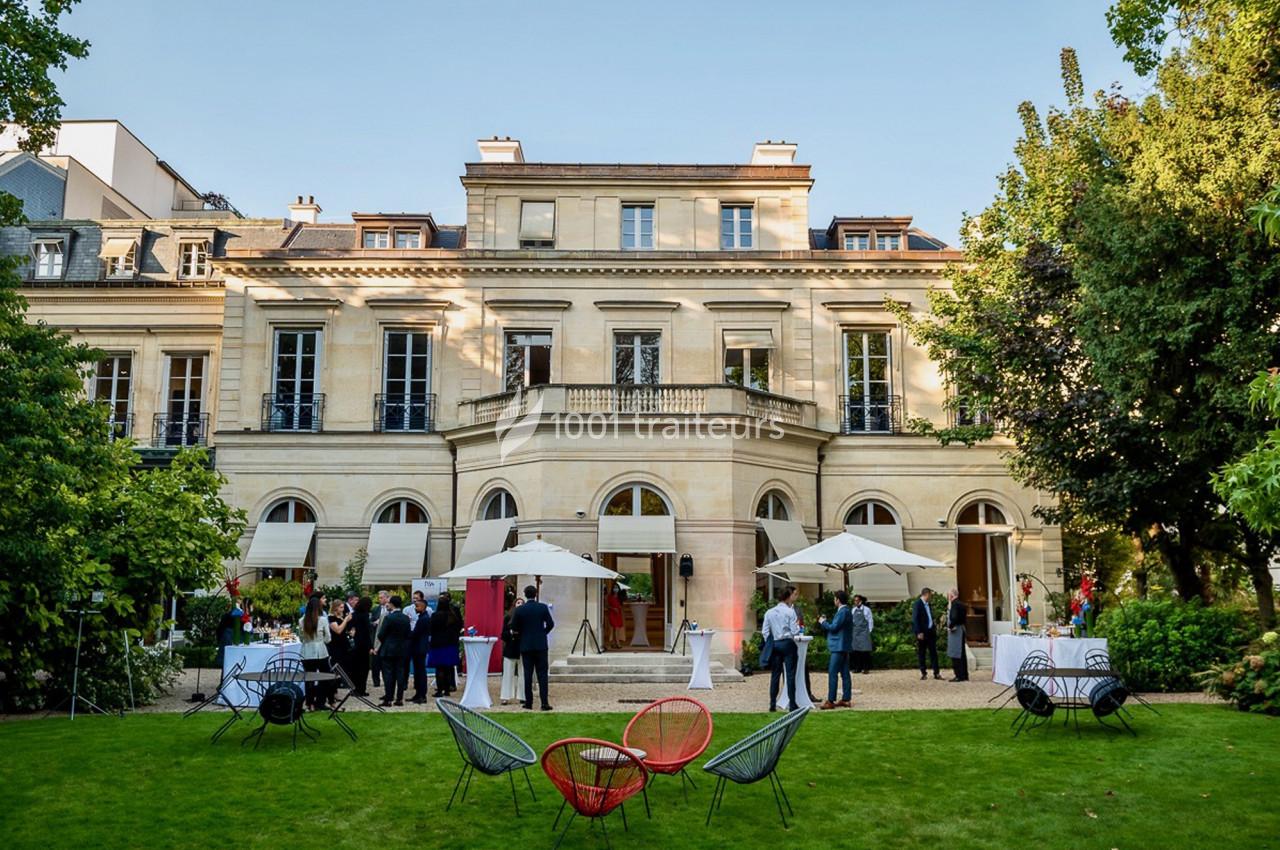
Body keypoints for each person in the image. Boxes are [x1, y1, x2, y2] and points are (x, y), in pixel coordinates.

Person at [508, 584, 555, 710]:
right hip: (540, 645)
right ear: (536, 595)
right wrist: (543, 633)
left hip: (526, 645)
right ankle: (544, 702)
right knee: (542, 674)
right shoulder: (542, 608)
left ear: (525, 594)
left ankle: (529, 702)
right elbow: (551, 624)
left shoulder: (520, 610)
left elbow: (513, 626)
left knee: (527, 674)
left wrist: (522, 635)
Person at [762, 586, 799, 712]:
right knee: (790, 674)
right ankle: (792, 703)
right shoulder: (790, 612)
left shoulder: (769, 612)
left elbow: (765, 632)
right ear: (788, 597)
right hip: (787, 643)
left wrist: (771, 642)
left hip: (775, 644)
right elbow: (794, 630)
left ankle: (772, 703)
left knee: (775, 674)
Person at [817, 590, 853, 709]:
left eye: (834, 598)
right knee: (845, 673)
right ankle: (846, 699)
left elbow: (833, 627)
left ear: (838, 600)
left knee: (833, 673)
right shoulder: (846, 611)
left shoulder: (843, 611)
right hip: (844, 646)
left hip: (838, 646)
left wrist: (823, 622)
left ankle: (831, 700)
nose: (834, 600)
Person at [375, 595, 411, 706]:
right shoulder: (405, 618)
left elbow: (381, 634)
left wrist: (386, 641)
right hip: (401, 649)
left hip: (389, 649)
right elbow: (408, 633)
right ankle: (399, 698)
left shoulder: (389, 618)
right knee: (400, 673)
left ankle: (388, 698)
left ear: (392, 604)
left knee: (388, 674)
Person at [298, 593, 332, 711]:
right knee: (325, 677)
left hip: (306, 651)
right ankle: (320, 701)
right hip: (321, 651)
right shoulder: (322, 620)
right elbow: (328, 638)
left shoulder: (302, 620)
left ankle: (309, 702)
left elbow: (301, 637)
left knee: (309, 678)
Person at [428, 591, 462, 697]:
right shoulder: (453, 616)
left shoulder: (435, 616)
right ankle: (447, 689)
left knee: (439, 668)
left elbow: (431, 629)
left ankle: (440, 690)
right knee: (448, 667)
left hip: (438, 644)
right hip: (450, 644)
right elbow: (459, 627)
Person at [325, 600, 353, 705]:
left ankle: (335, 691)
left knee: (341, 668)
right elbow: (338, 630)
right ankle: (332, 692)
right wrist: (346, 619)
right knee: (335, 669)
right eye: (340, 607)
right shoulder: (331, 618)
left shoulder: (340, 617)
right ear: (335, 608)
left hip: (343, 645)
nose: (342, 609)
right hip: (336, 647)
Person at [913, 587, 941, 680]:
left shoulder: (929, 604)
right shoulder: (918, 604)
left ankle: (936, 673)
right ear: (927, 594)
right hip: (922, 633)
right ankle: (923, 673)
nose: (931, 597)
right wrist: (919, 632)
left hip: (930, 632)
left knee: (933, 653)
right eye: (930, 595)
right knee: (922, 653)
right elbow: (915, 619)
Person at [348, 596, 374, 696]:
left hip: (355, 644)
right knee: (363, 668)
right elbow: (367, 632)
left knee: (355, 668)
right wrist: (370, 646)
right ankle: (361, 689)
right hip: (363, 645)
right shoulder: (365, 616)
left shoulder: (353, 615)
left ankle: (354, 688)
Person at [499, 594, 522, 705]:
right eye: (518, 603)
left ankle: (523, 696)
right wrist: (511, 633)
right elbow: (503, 635)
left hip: (522, 648)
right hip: (510, 648)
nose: (520, 605)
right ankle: (505, 696)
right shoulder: (508, 617)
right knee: (508, 673)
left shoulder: (525, 618)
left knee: (522, 674)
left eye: (522, 603)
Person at [409, 597, 433, 703]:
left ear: (423, 607)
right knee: (418, 672)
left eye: (417, 606)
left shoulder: (424, 619)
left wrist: (408, 632)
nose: (415, 608)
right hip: (419, 647)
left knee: (420, 672)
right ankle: (418, 694)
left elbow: (416, 634)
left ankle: (422, 695)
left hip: (419, 648)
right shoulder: (423, 618)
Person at [946, 588, 969, 682]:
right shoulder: (962, 604)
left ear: (951, 595)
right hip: (962, 629)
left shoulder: (955, 604)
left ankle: (958, 675)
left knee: (955, 652)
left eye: (948, 595)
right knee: (962, 653)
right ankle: (964, 675)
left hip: (956, 630)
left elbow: (954, 617)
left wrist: (951, 626)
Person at [370, 590, 390, 688]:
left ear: (387, 598)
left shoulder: (390, 609)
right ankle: (376, 681)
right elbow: (370, 622)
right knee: (375, 662)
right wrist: (374, 623)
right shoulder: (375, 609)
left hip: (387, 639)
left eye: (381, 597)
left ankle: (387, 680)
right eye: (379, 598)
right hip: (376, 637)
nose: (380, 599)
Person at [849, 595, 873, 676]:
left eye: (857, 600)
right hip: (855, 632)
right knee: (856, 651)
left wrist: (869, 631)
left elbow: (870, 620)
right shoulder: (853, 610)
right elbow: (852, 621)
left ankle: (866, 668)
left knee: (865, 651)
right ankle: (857, 668)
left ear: (860, 601)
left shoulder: (866, 610)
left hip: (864, 632)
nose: (855, 602)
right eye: (854, 600)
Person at [605, 584, 625, 649]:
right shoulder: (610, 597)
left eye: (617, 588)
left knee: (616, 629)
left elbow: (621, 606)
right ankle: (618, 643)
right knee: (615, 628)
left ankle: (613, 643)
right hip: (612, 614)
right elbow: (607, 606)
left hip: (618, 614)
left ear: (619, 589)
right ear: (612, 589)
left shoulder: (620, 597)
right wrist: (613, 608)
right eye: (614, 588)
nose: (615, 589)